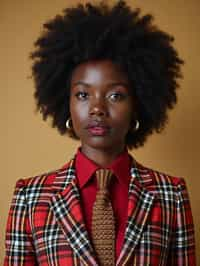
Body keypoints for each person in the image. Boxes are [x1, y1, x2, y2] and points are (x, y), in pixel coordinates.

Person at [4, 1, 196, 265]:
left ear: (139, 103)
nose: (97, 108)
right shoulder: (30, 197)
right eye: (83, 94)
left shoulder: (170, 195)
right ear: (65, 102)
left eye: (116, 95)